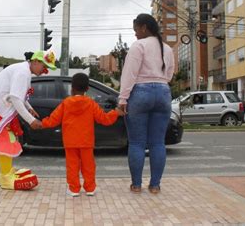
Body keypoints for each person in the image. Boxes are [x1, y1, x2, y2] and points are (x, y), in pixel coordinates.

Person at [0, 49, 56, 190]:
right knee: (6, 141)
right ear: (36, 62)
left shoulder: (23, 70)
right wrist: (30, 120)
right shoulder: (22, 72)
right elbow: (15, 97)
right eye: (44, 67)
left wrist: (28, 107)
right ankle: (6, 177)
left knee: (8, 140)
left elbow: (18, 94)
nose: (45, 71)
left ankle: (6, 172)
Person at [40, 73, 124, 197]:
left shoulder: (66, 103)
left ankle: (74, 190)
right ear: (87, 89)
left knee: (72, 166)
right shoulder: (90, 103)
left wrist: (41, 123)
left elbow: (53, 120)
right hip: (86, 141)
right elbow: (104, 119)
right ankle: (90, 188)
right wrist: (115, 113)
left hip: (70, 142)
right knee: (88, 165)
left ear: (72, 88)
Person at [118, 13, 175, 194]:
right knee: (158, 143)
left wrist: (123, 99)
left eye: (136, 30)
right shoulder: (167, 48)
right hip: (163, 91)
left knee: (136, 143)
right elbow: (169, 74)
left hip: (140, 92)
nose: (135, 34)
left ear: (143, 28)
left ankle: (136, 185)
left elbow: (129, 74)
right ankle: (155, 185)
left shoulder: (138, 46)